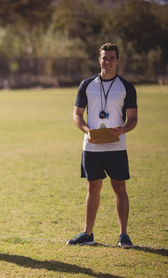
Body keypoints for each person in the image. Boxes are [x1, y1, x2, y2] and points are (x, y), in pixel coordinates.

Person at [68, 43, 138, 248]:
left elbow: (133, 119)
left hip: (117, 146)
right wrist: (87, 131)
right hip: (91, 146)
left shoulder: (126, 87)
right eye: (104, 58)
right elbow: (77, 115)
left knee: (119, 187)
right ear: (99, 60)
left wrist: (123, 129)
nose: (107, 61)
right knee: (93, 187)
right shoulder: (87, 84)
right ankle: (88, 234)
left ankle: (123, 235)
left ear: (118, 60)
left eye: (111, 58)